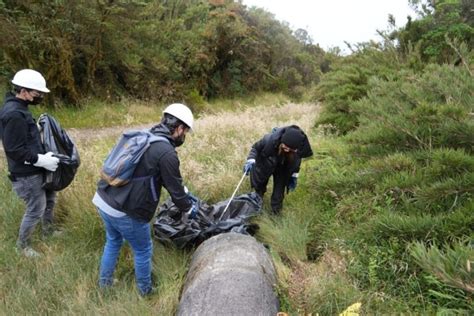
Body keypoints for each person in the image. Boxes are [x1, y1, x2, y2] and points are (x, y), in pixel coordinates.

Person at [92, 103, 199, 296]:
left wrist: (179, 188)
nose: (184, 137)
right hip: (126, 211)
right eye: (185, 132)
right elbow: (175, 191)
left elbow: (152, 174)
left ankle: (104, 285)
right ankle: (146, 292)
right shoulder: (167, 153)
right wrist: (188, 208)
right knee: (143, 250)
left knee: (113, 241)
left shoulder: (144, 136)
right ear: (180, 128)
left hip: (104, 199)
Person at [0, 69, 60, 258]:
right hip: (26, 173)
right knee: (36, 207)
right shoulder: (14, 114)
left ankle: (48, 231)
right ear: (24, 91)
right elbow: (14, 150)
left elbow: (24, 138)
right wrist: (41, 160)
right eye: (37, 93)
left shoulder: (20, 109)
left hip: (36, 167)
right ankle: (22, 246)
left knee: (50, 198)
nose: (40, 96)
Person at [243, 125, 313, 214]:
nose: (287, 150)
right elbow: (255, 148)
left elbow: (296, 164)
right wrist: (250, 160)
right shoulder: (269, 140)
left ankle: (275, 213)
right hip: (266, 163)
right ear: (281, 141)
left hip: (283, 168)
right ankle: (256, 205)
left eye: (290, 149)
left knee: (279, 192)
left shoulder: (297, 150)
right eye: (285, 146)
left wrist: (294, 176)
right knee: (260, 186)